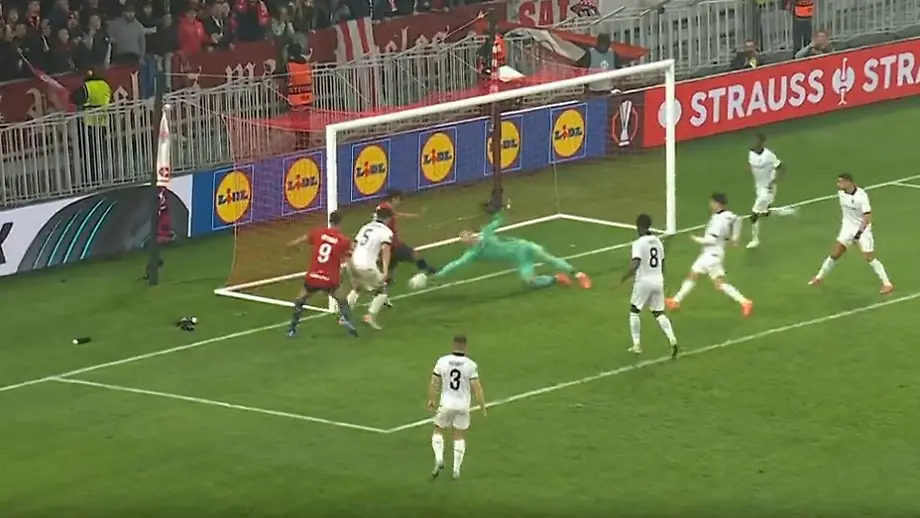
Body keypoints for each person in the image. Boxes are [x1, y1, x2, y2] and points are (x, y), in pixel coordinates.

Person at [432, 207, 592, 290]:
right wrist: (440, 274)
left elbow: (499, 221)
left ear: (472, 234)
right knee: (529, 281)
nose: (469, 238)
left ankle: (579, 275)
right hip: (521, 259)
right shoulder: (474, 254)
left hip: (524, 246)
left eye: (468, 235)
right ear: (465, 243)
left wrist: (496, 212)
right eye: (465, 238)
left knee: (549, 259)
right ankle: (556, 279)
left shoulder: (486, 233)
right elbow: (456, 264)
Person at [666, 193, 753, 317]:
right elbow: (738, 219)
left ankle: (745, 302)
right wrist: (735, 237)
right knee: (697, 276)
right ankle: (675, 301)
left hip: (711, 255)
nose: (710, 205)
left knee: (717, 282)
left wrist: (696, 239)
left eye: (712, 202)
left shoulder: (718, 221)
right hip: (714, 253)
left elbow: (711, 240)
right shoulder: (728, 215)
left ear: (718, 204)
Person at [808, 174, 894, 294]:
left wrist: (858, 234)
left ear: (849, 182)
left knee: (869, 256)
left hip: (863, 229)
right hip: (847, 228)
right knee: (836, 253)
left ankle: (887, 284)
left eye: (841, 182)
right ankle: (818, 278)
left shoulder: (862, 196)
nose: (838, 185)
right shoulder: (841, 194)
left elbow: (867, 217)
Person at [286, 210, 358, 337]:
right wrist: (351, 276)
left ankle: (292, 329)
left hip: (314, 276)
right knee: (342, 300)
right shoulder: (343, 240)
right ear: (341, 222)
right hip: (329, 278)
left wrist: (294, 244)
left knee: (300, 299)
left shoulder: (318, 232)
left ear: (330, 221)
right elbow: (349, 258)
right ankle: (348, 323)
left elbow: (304, 238)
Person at [617, 214, 679, 358]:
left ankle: (637, 345)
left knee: (634, 311)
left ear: (639, 226)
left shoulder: (638, 243)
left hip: (643, 281)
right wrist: (660, 280)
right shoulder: (658, 242)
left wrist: (624, 277)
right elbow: (662, 263)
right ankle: (672, 339)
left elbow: (636, 263)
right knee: (659, 313)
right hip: (658, 280)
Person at [428, 334, 486, 481]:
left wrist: (431, 399)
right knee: (459, 435)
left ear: (453, 345)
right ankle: (456, 470)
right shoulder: (470, 365)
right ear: (465, 346)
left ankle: (439, 458)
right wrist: (482, 406)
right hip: (463, 406)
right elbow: (477, 387)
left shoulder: (442, 361)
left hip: (446, 404)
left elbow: (434, 382)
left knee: (438, 430)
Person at [374, 189, 437, 306]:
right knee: (414, 255)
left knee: (390, 276)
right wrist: (415, 216)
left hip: (389, 245)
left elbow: (396, 215)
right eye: (399, 199)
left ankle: (381, 297)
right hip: (393, 245)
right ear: (394, 198)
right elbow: (394, 216)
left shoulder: (383, 207)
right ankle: (431, 272)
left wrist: (414, 216)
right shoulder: (385, 208)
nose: (400, 202)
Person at [346, 207, 395, 330]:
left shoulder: (365, 227)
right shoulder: (386, 232)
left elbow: (353, 245)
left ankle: (344, 316)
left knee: (357, 288)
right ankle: (370, 316)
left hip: (352, 263)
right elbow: (386, 251)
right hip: (367, 266)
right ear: (388, 218)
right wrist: (385, 271)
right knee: (382, 291)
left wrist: (348, 261)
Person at [746, 133, 796, 249]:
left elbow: (781, 168)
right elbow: (751, 165)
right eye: (753, 140)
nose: (753, 143)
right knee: (764, 213)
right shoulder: (751, 153)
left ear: (762, 143)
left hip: (768, 188)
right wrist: (749, 169)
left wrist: (774, 181)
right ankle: (785, 212)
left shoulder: (769, 155)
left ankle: (755, 240)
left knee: (754, 215)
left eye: (756, 141)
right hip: (759, 186)